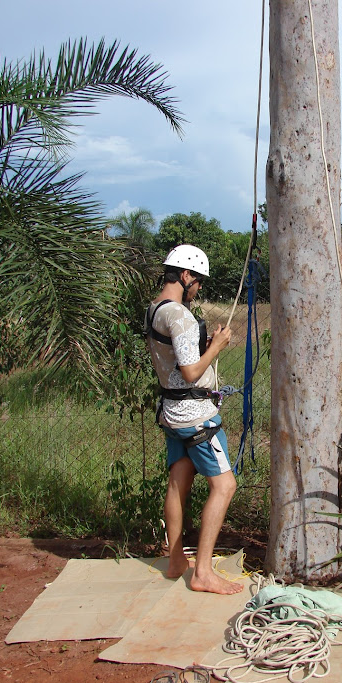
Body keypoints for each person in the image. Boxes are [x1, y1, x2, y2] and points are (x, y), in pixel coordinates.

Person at [145, 244, 243, 595]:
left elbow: (175, 364)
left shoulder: (155, 309)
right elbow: (190, 372)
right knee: (225, 486)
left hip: (171, 413)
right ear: (185, 276)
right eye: (198, 280)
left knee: (178, 482)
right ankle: (202, 572)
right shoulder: (181, 317)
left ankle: (176, 562)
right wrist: (217, 345)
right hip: (196, 416)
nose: (198, 287)